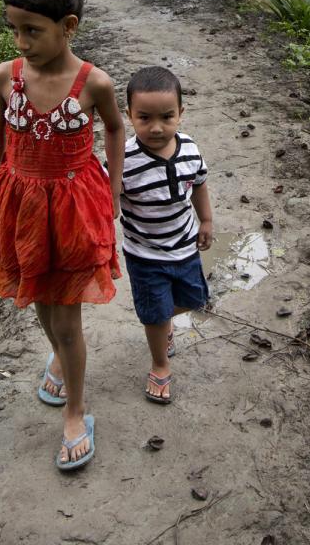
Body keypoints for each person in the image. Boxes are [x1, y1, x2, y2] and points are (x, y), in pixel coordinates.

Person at [0, 0, 124, 471]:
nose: (21, 42)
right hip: (21, 206)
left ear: (67, 27)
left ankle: (76, 414)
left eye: (32, 31)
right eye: (14, 30)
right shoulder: (4, 78)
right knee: (37, 298)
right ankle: (58, 355)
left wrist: (113, 189)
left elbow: (116, 130)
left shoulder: (94, 83)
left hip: (73, 207)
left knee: (66, 315)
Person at [119, 66, 213, 405]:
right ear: (129, 115)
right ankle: (159, 364)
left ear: (181, 113)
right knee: (156, 314)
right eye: (144, 118)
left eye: (166, 117)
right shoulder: (123, 160)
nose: (156, 127)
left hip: (185, 246)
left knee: (193, 299)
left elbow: (199, 183)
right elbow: (105, 199)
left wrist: (206, 221)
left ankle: (161, 321)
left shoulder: (189, 148)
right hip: (145, 254)